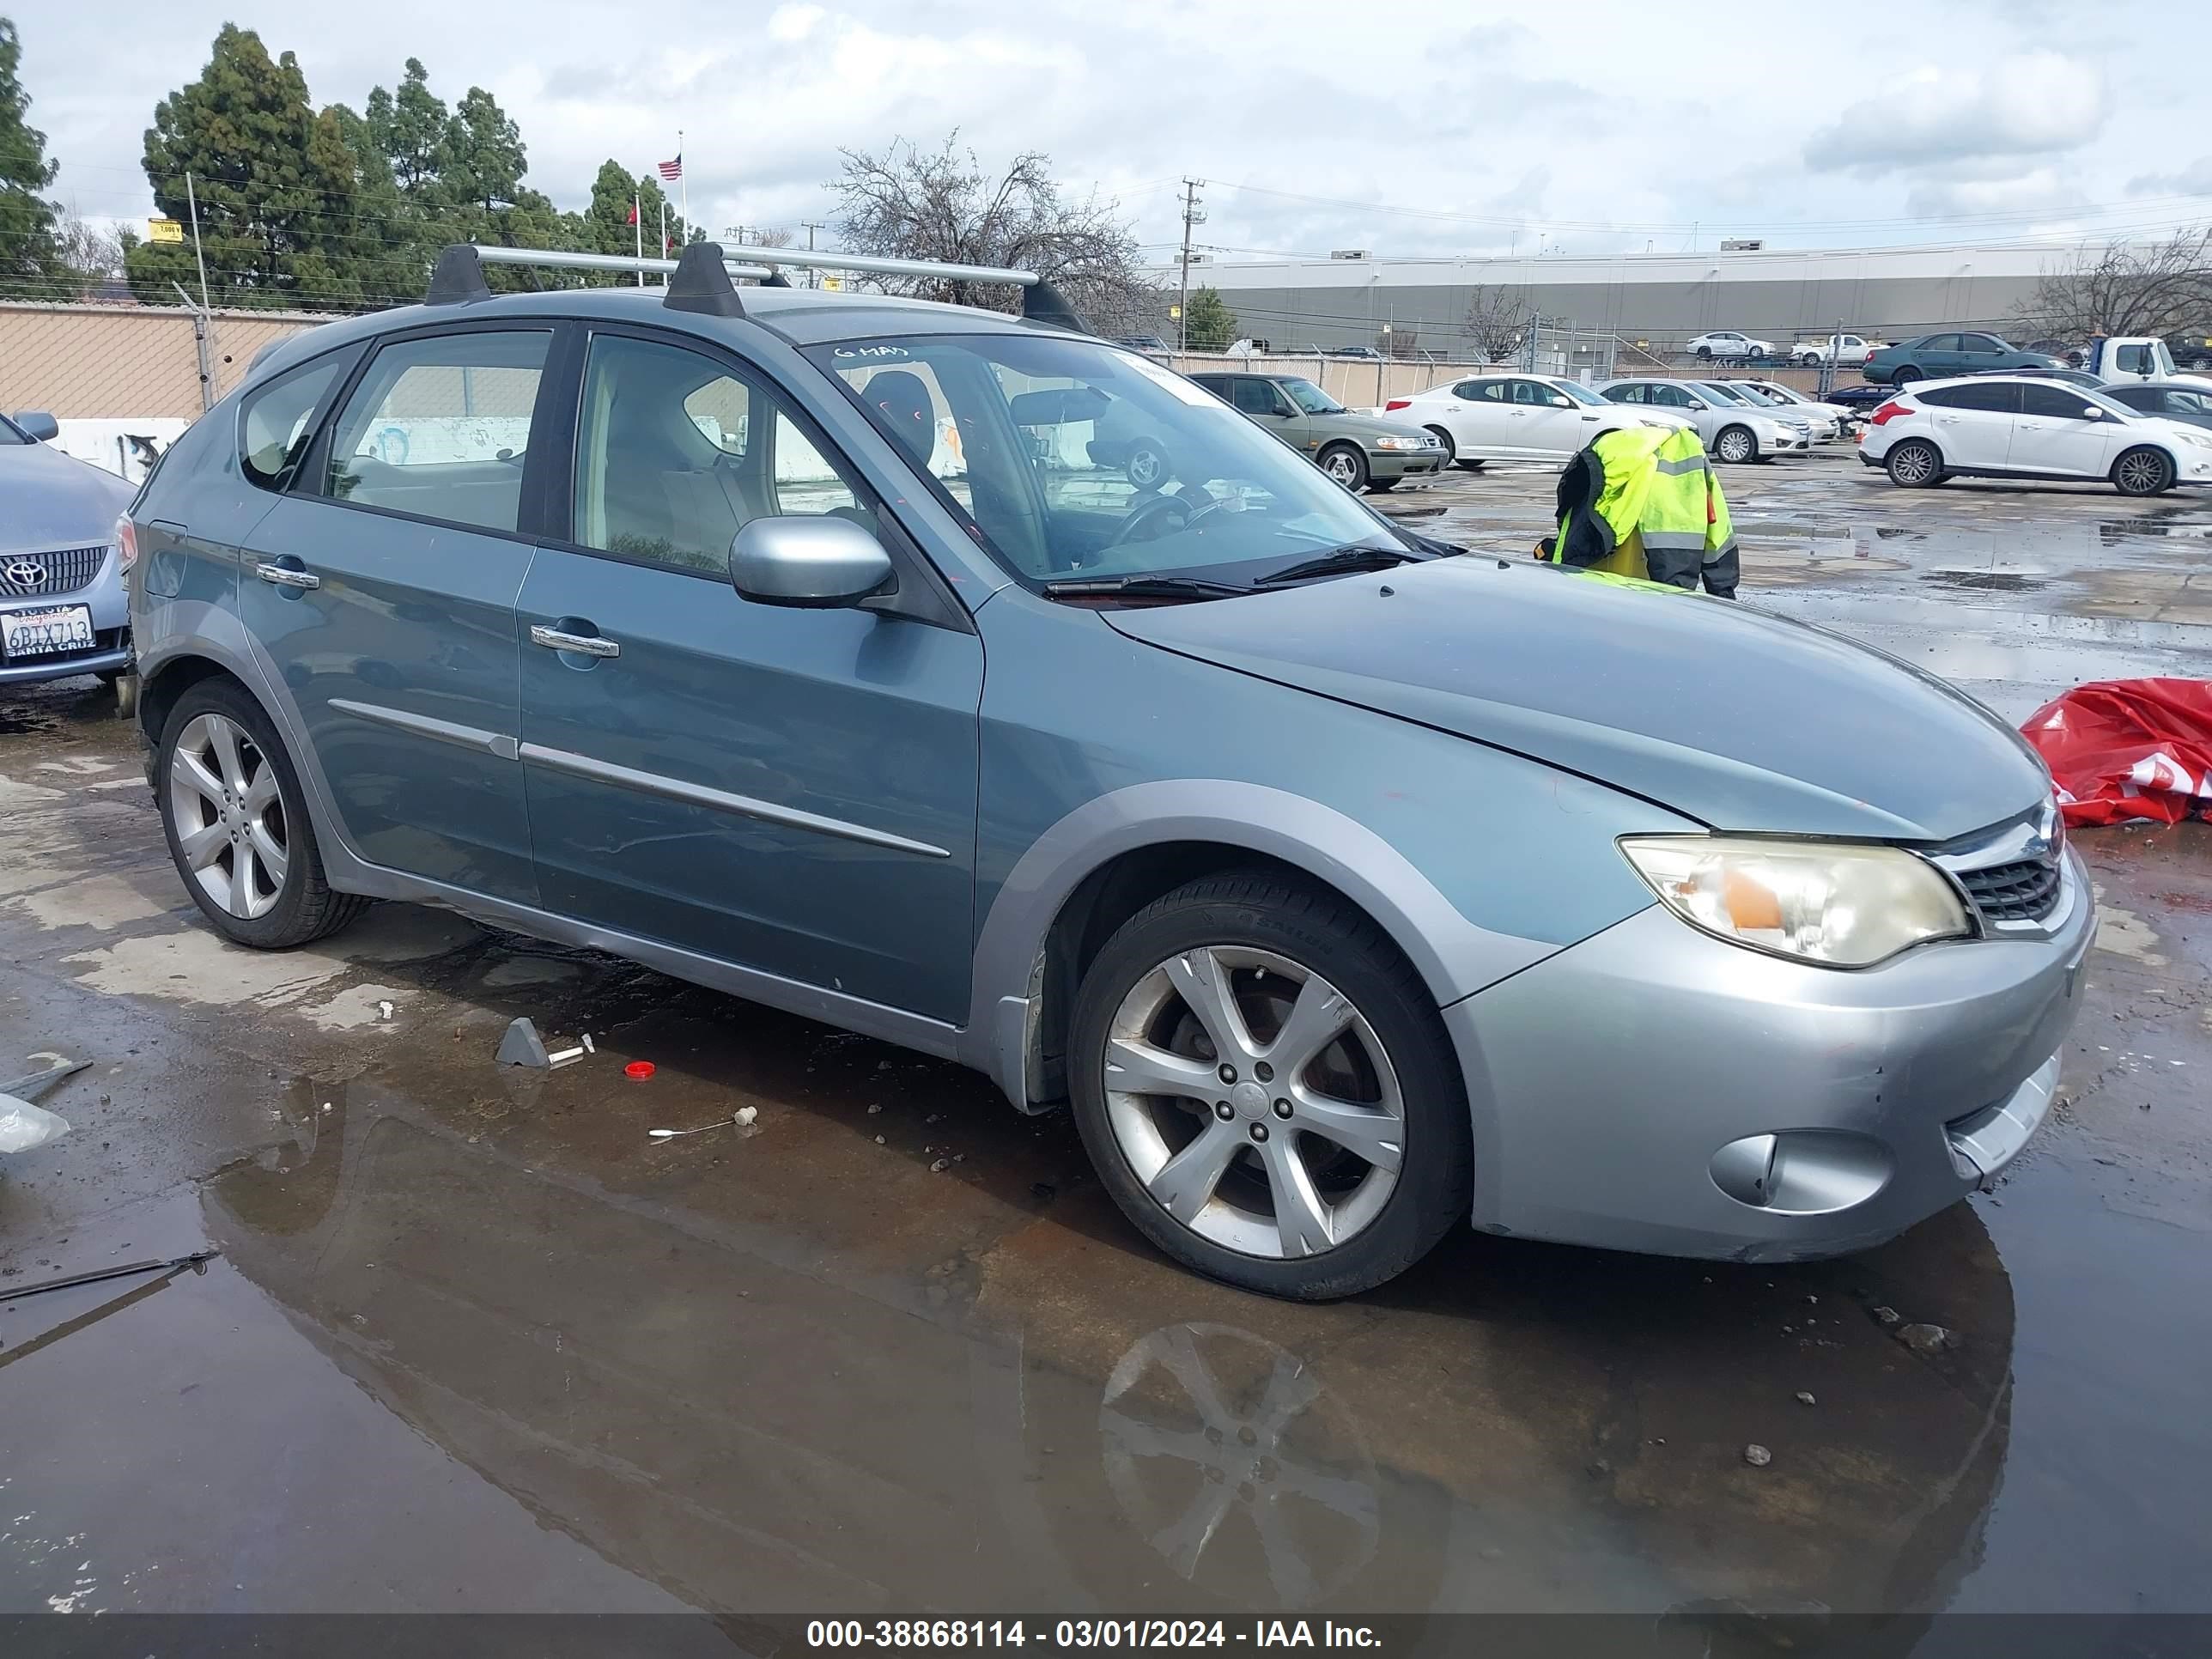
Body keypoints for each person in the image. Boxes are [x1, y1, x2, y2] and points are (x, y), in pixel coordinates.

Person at [1540, 422, 1739, 598]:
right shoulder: (1689, 464)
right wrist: (1723, 591)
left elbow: (1582, 528)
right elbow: (1720, 535)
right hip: (1666, 591)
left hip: (1594, 591)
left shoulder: (1603, 466)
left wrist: (1561, 568)